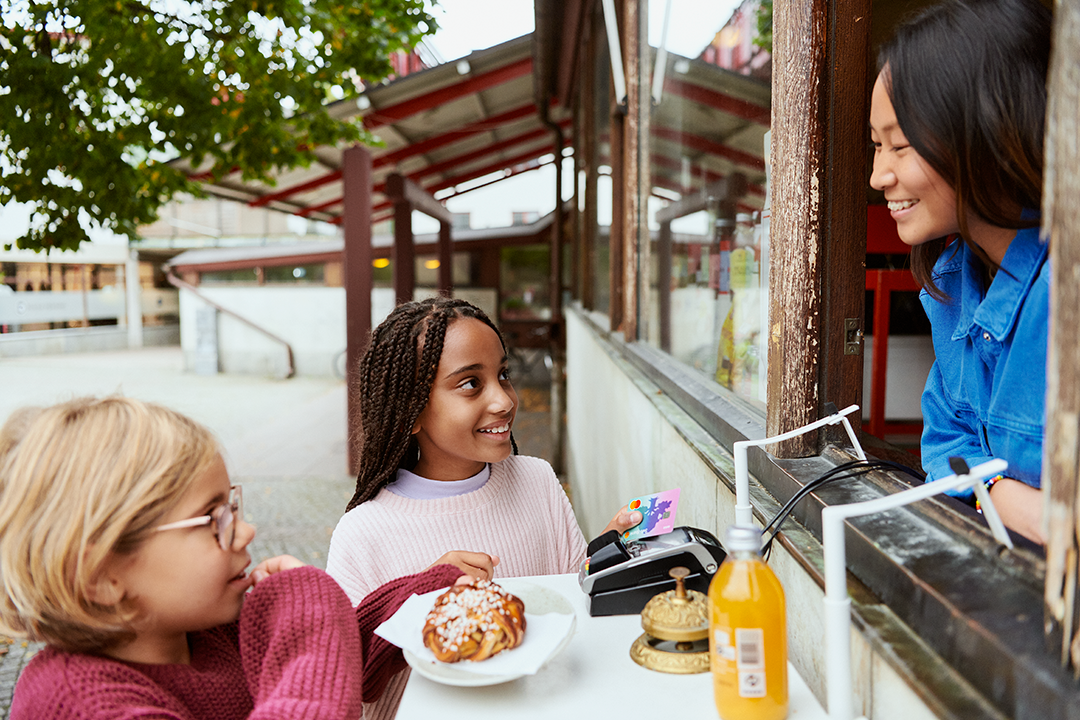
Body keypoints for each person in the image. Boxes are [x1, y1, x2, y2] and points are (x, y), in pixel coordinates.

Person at [0, 396, 468, 720]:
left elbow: (330, 660)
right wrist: (310, 610)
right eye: (211, 519)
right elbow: (314, 673)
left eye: (233, 507)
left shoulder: (205, 633)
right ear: (100, 574)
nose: (246, 531)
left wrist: (423, 590)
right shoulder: (79, 703)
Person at [326, 296, 640, 719]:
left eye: (503, 374)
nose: (504, 400)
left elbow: (570, 599)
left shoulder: (537, 481)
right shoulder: (363, 532)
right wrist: (419, 597)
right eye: (471, 383)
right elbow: (349, 681)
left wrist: (607, 556)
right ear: (410, 412)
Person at [869, 0, 1052, 543]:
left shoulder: (1064, 294)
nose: (879, 174)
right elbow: (945, 448)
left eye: (900, 144)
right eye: (877, 145)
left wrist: (981, 489)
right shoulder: (954, 283)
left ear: (987, 130)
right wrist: (1006, 497)